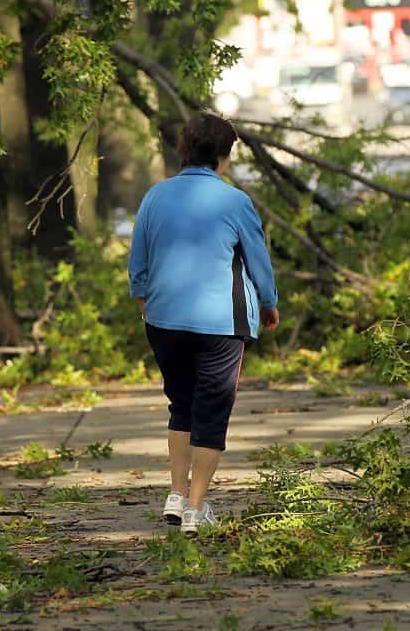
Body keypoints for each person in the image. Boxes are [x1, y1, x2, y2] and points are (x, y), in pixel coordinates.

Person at [128, 113, 279, 535]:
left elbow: (137, 260)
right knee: (212, 414)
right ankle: (195, 510)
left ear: (184, 149)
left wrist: (146, 298)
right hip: (220, 324)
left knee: (181, 406)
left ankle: (176, 495)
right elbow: (257, 260)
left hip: (163, 320)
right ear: (223, 156)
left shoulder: (155, 197)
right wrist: (269, 303)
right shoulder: (234, 202)